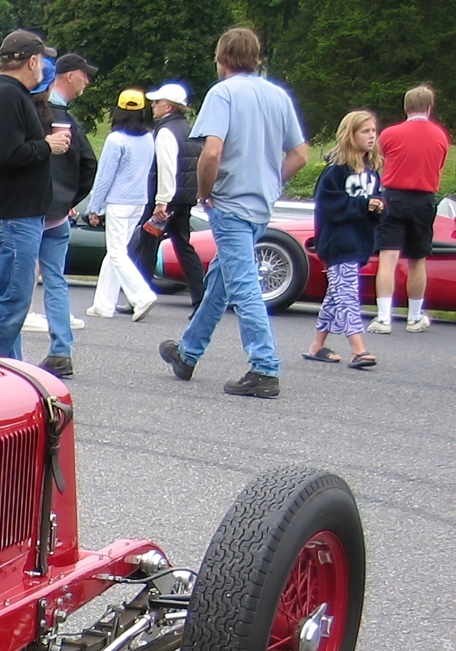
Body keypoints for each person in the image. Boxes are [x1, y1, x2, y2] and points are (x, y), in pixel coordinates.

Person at [160, 27, 307, 399]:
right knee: (221, 279)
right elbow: (300, 154)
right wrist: (273, 182)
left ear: (222, 58)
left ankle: (264, 367)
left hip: (231, 204)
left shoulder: (223, 93)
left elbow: (212, 152)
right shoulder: (277, 95)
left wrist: (205, 191)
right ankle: (188, 352)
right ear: (255, 57)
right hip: (260, 204)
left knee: (242, 284)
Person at [0, 36, 72, 360]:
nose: (44, 68)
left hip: (12, 214)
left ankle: (8, 368)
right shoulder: (8, 95)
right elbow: (8, 154)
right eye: (42, 61)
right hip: (13, 216)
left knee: (4, 295)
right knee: (14, 299)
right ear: (32, 61)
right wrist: (47, 145)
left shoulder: (8, 93)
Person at [22, 54, 95, 369]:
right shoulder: (66, 119)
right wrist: (69, 199)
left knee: (10, 276)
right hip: (59, 212)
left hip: (29, 208)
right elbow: (89, 163)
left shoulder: (29, 116)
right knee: (55, 279)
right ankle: (62, 350)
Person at [307, 111, 386, 367]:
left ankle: (317, 345)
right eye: (365, 131)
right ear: (350, 135)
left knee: (336, 293)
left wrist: (378, 207)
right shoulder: (336, 171)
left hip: (361, 241)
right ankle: (358, 349)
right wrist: (363, 205)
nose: (372, 136)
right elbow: (328, 205)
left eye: (373, 131)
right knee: (348, 294)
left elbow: (378, 199)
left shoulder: (372, 171)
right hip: (338, 242)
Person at [371, 86, 448, 333]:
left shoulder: (390, 134)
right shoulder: (440, 136)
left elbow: (377, 161)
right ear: (429, 107)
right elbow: (438, 166)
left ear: (406, 107)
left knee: (388, 257)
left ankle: (383, 318)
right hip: (423, 200)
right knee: (418, 259)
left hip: (394, 197)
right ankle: (414, 317)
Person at [83, 91, 158, 323]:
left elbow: (104, 177)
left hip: (118, 201)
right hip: (138, 201)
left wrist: (95, 207)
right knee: (116, 252)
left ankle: (142, 296)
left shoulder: (116, 140)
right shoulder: (149, 138)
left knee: (116, 252)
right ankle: (103, 304)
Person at [135, 83, 206, 308]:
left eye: (157, 102)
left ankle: (141, 298)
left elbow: (166, 168)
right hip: (184, 198)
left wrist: (161, 201)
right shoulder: (188, 129)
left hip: (167, 199)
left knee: (147, 245)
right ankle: (200, 296)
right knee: (183, 245)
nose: (153, 106)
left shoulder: (165, 132)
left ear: (169, 107)